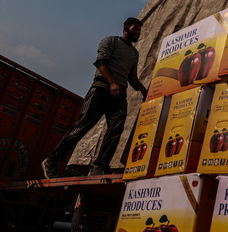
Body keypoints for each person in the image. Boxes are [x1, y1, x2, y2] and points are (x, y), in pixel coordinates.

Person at [41, 17, 148, 178]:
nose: (137, 33)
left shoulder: (134, 53)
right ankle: (52, 159)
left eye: (139, 30)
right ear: (125, 28)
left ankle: (99, 166)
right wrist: (112, 82)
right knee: (83, 126)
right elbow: (100, 62)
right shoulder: (111, 41)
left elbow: (132, 77)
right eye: (135, 29)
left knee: (116, 129)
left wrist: (143, 90)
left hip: (119, 95)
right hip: (101, 89)